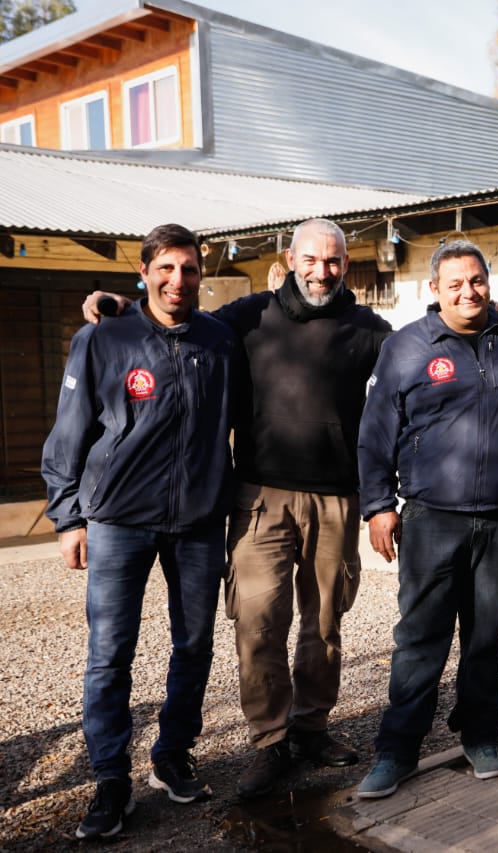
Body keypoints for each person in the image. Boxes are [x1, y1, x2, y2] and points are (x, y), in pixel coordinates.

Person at [83, 219, 393, 799]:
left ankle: (311, 728)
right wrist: (120, 306)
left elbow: (419, 367)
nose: (321, 271)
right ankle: (270, 742)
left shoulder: (370, 329)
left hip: (336, 498)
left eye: (333, 261)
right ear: (290, 259)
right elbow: (172, 322)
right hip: (257, 497)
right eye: (311, 259)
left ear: (346, 265)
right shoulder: (246, 318)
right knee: (258, 623)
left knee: (324, 624)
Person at [43, 224, 243, 840]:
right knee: (109, 656)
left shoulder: (221, 341)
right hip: (117, 521)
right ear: (145, 269)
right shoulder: (103, 338)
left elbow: (239, 422)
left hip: (199, 522)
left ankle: (172, 757)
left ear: (201, 271)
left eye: (188, 269)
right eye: (166, 268)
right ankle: (110, 778)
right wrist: (68, 515)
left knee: (195, 646)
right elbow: (70, 430)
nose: (177, 280)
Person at [355, 240, 498, 799]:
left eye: (477, 280)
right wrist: (378, 506)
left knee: (486, 638)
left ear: (490, 284)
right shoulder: (406, 348)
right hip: (433, 518)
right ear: (434, 290)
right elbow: (376, 432)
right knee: (420, 638)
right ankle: (397, 751)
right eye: (455, 283)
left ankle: (481, 736)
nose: (468, 292)